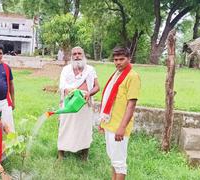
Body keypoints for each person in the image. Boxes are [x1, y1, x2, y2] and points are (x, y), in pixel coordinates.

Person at [99, 47, 141, 180]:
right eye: (115, 60)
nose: (118, 62)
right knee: (113, 159)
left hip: (119, 126)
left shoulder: (132, 76)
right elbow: (108, 100)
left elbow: (131, 104)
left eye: (121, 59)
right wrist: (102, 123)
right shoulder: (116, 74)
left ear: (129, 59)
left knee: (119, 163)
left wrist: (122, 127)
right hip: (110, 123)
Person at [57, 46, 100, 161]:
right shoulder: (66, 69)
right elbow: (62, 86)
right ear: (71, 56)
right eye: (74, 54)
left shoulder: (90, 69)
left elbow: (97, 87)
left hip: (84, 104)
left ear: (83, 55)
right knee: (64, 127)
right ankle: (61, 155)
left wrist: (89, 93)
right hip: (69, 102)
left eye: (79, 53)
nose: (77, 56)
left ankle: (84, 156)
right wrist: (67, 90)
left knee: (84, 129)